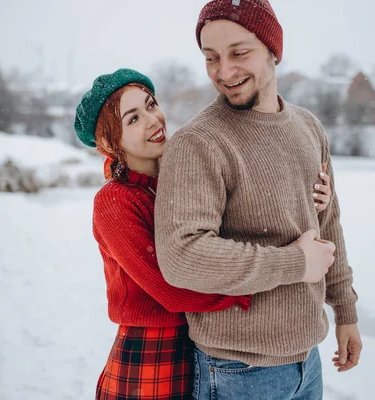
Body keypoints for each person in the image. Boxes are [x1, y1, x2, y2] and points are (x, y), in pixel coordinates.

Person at [73, 68, 334, 399]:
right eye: (133, 119)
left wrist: (312, 198)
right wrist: (265, 285)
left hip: (201, 343)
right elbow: (172, 288)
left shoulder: (184, 173)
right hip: (153, 351)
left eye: (151, 105)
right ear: (110, 142)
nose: (153, 120)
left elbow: (242, 217)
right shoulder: (115, 201)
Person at [154, 1, 363, 399]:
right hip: (236, 371)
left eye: (239, 52)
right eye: (211, 58)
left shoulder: (307, 127)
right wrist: (296, 263)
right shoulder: (199, 143)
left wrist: (345, 311)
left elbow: (328, 221)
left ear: (273, 50)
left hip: (308, 359)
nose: (224, 71)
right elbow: (182, 257)